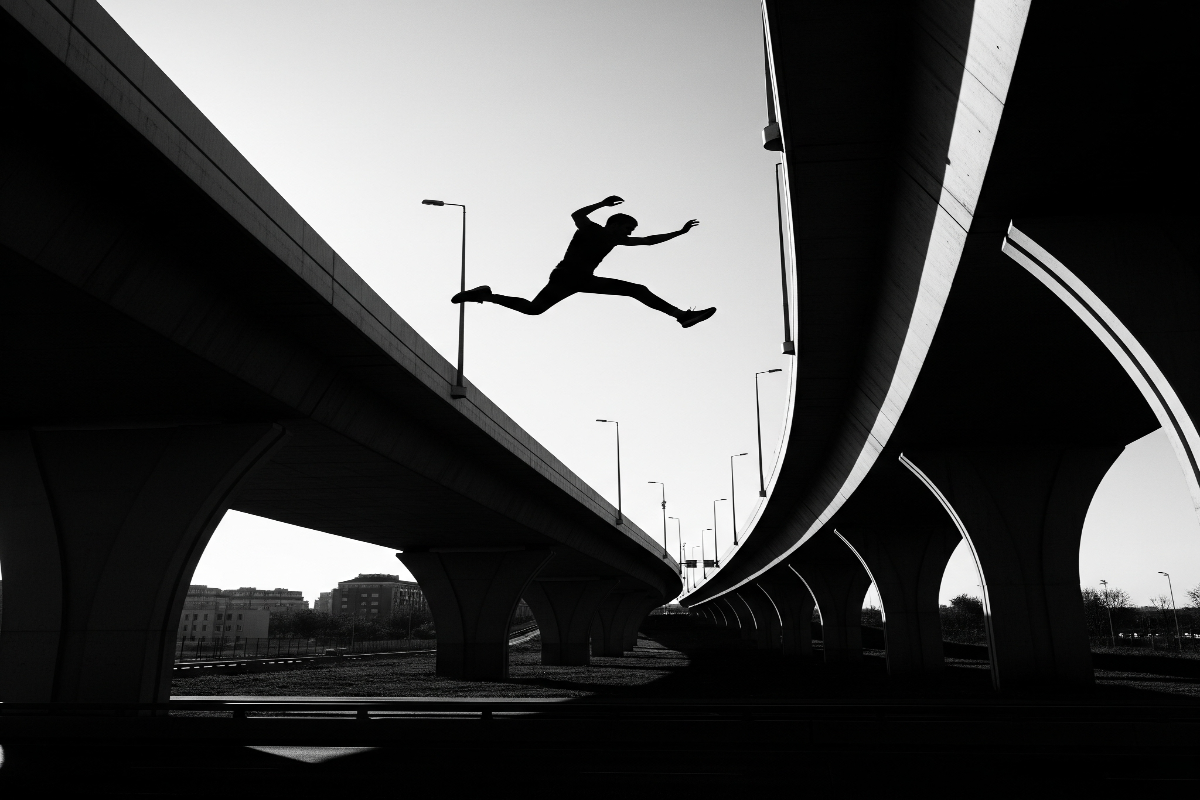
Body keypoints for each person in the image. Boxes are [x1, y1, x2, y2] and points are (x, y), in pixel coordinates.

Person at [451, 195, 716, 328]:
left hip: (573, 280)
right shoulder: (592, 230)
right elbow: (576, 214)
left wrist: (680, 233)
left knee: (534, 310)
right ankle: (681, 316)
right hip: (570, 276)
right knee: (637, 290)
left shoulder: (614, 240)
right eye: (628, 227)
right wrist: (601, 203)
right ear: (615, 224)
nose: (630, 232)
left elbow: (648, 241)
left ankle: (487, 295)